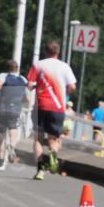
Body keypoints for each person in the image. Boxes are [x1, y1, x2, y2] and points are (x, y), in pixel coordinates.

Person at [27, 41, 77, 180]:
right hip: (58, 107)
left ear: (45, 51)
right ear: (58, 52)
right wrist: (65, 91)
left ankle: (40, 169)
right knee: (53, 138)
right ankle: (53, 153)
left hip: (41, 106)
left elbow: (30, 85)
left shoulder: (38, 65)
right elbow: (72, 86)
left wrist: (37, 86)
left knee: (38, 138)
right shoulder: (64, 66)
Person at [0, 60, 29, 171]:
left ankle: (0, 161)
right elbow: (27, 97)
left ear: (7, 68)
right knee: (13, 129)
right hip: (15, 109)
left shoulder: (3, 75)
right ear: (17, 69)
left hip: (3, 108)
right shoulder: (23, 79)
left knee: (1, 136)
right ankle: (12, 145)